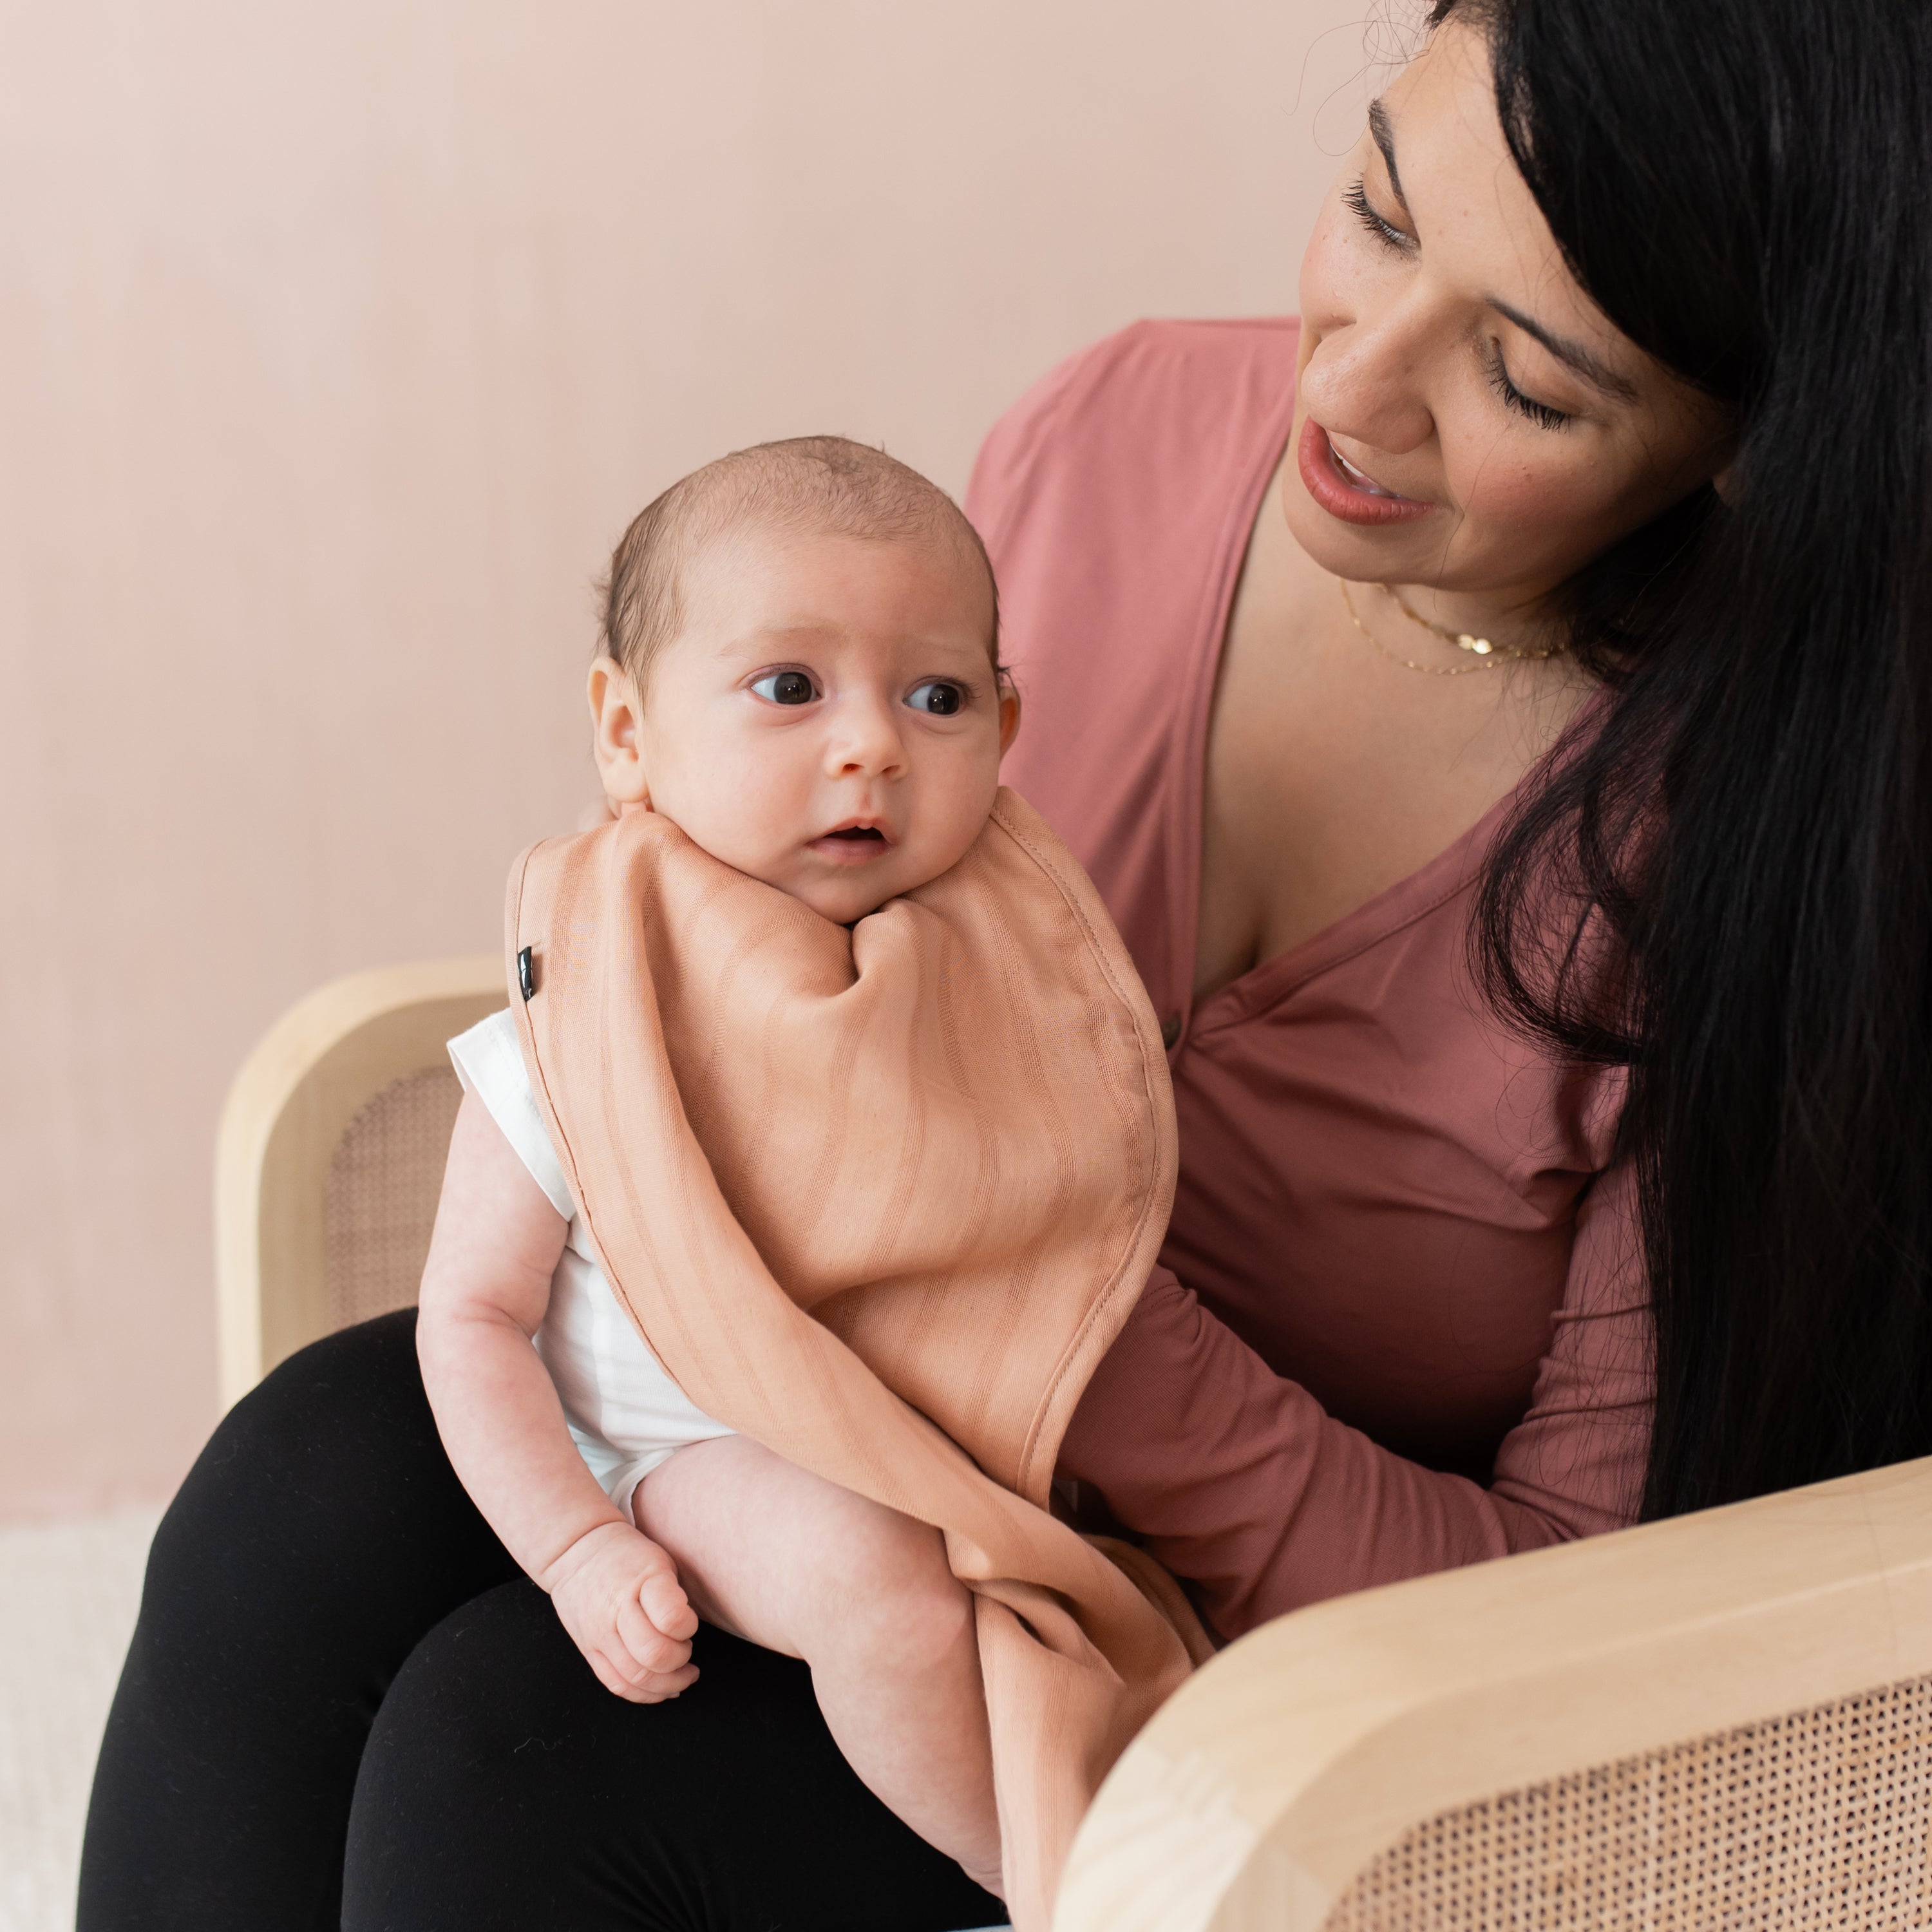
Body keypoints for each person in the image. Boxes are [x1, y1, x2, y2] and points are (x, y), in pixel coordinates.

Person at [78, 1, 1932, 1927]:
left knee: (506, 1757)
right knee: (303, 1484)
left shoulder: (1775, 858)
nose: (1352, 384)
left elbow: (1583, 1634)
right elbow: (777, 867)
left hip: (1279, 1683)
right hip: (838, 1428)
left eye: (1526, 383)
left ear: (1752, 441)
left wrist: (1077, 1340)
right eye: (1381, 213)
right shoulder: (1116, 439)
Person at [418, 432, 1188, 1916]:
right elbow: (471, 1319)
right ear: (628, 732)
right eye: (789, 687)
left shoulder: (994, 979)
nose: (872, 746)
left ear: (1007, 729)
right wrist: (578, 1548)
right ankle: (1035, 1876)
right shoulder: (583, 1029)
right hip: (679, 1450)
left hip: (924, 1439)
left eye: (938, 698)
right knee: (883, 1584)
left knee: (1051, 1617)